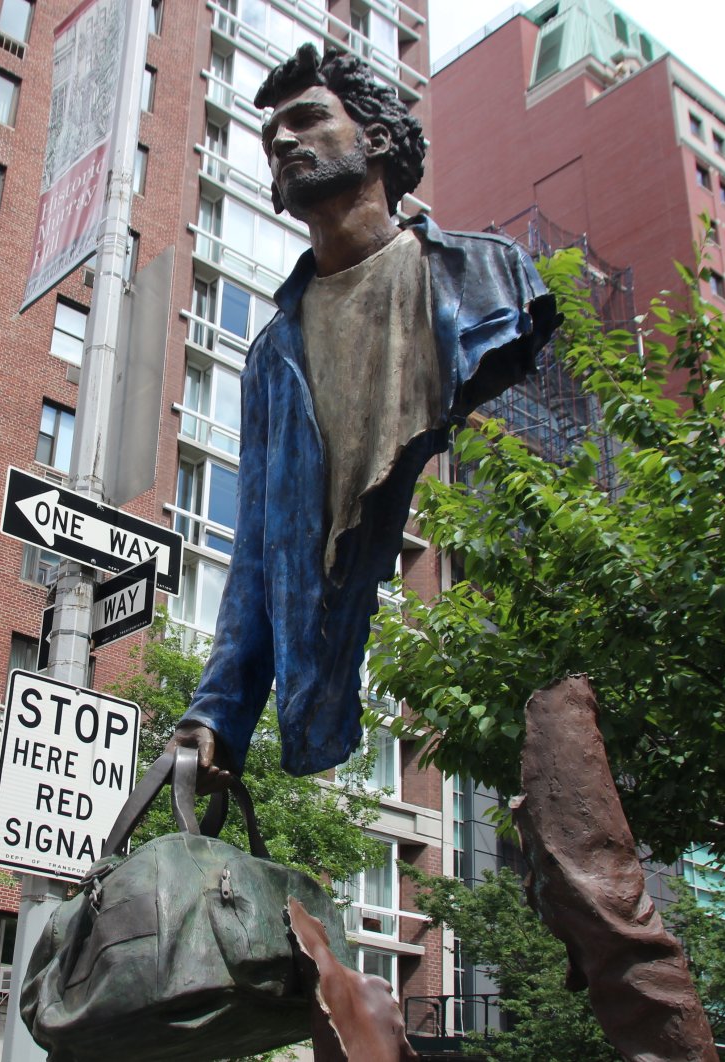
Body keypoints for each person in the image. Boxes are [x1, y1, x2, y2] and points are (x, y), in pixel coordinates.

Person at [169, 44, 560, 784]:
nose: (284, 142)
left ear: (376, 140)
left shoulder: (483, 278)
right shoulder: (272, 356)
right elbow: (257, 551)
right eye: (271, 136)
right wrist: (215, 714)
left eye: (309, 119)